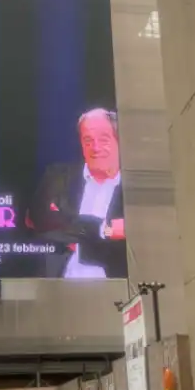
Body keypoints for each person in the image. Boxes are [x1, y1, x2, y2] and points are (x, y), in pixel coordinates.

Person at [27, 108, 126, 278]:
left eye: (103, 140)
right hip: (57, 285)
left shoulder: (133, 188)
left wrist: (67, 227)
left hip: (116, 288)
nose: (95, 148)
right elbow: (37, 218)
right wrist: (104, 229)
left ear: (118, 140)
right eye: (88, 140)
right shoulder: (58, 177)